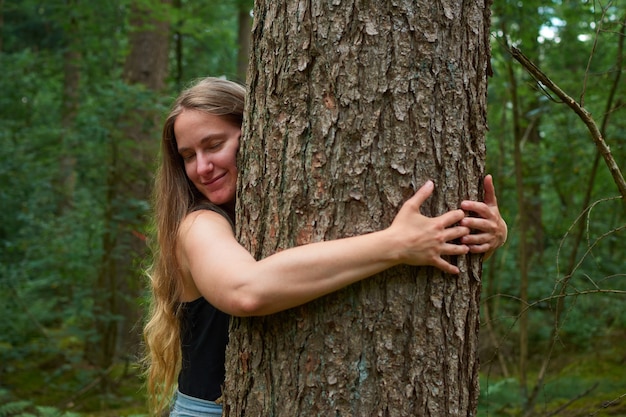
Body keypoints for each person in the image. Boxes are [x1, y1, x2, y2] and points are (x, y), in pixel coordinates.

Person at [142, 77, 507, 416]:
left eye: (214, 145)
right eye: (189, 156)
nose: (202, 167)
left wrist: (481, 235)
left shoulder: (255, 214)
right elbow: (245, 290)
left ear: (254, 133)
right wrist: (394, 244)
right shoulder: (196, 225)